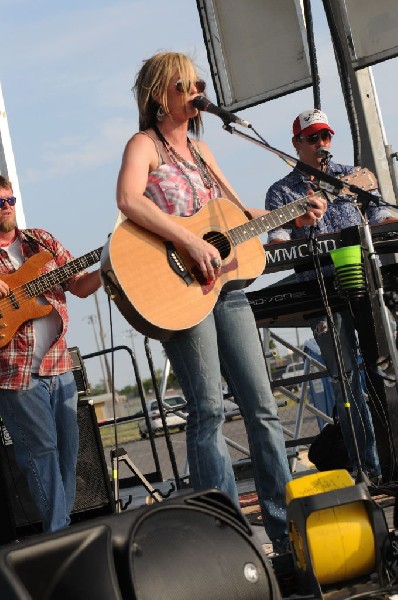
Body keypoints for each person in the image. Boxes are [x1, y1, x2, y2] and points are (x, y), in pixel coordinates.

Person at [115, 51, 326, 554]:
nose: (196, 92)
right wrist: (188, 242)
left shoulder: (203, 152)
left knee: (262, 407)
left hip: (228, 289)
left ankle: (284, 531)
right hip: (180, 291)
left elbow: (234, 215)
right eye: (185, 85)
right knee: (208, 411)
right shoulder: (143, 145)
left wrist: (293, 214)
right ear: (159, 93)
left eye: (199, 83)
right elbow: (128, 200)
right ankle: (229, 541)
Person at [265, 108, 397, 482]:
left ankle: (394, 461)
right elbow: (276, 247)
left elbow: (381, 218)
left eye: (326, 136)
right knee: (346, 380)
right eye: (312, 138)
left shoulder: (353, 177)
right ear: (296, 144)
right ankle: (366, 467)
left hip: (366, 285)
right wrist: (299, 222)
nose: (321, 144)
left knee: (388, 367)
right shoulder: (282, 191)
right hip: (319, 290)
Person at [0, 175, 101, 532]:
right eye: (1, 203)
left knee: (68, 452)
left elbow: (81, 287)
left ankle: (61, 529)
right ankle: (59, 535)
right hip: (16, 372)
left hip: (59, 365)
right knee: (40, 453)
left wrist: (107, 266)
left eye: (10, 200)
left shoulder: (41, 241)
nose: (8, 207)